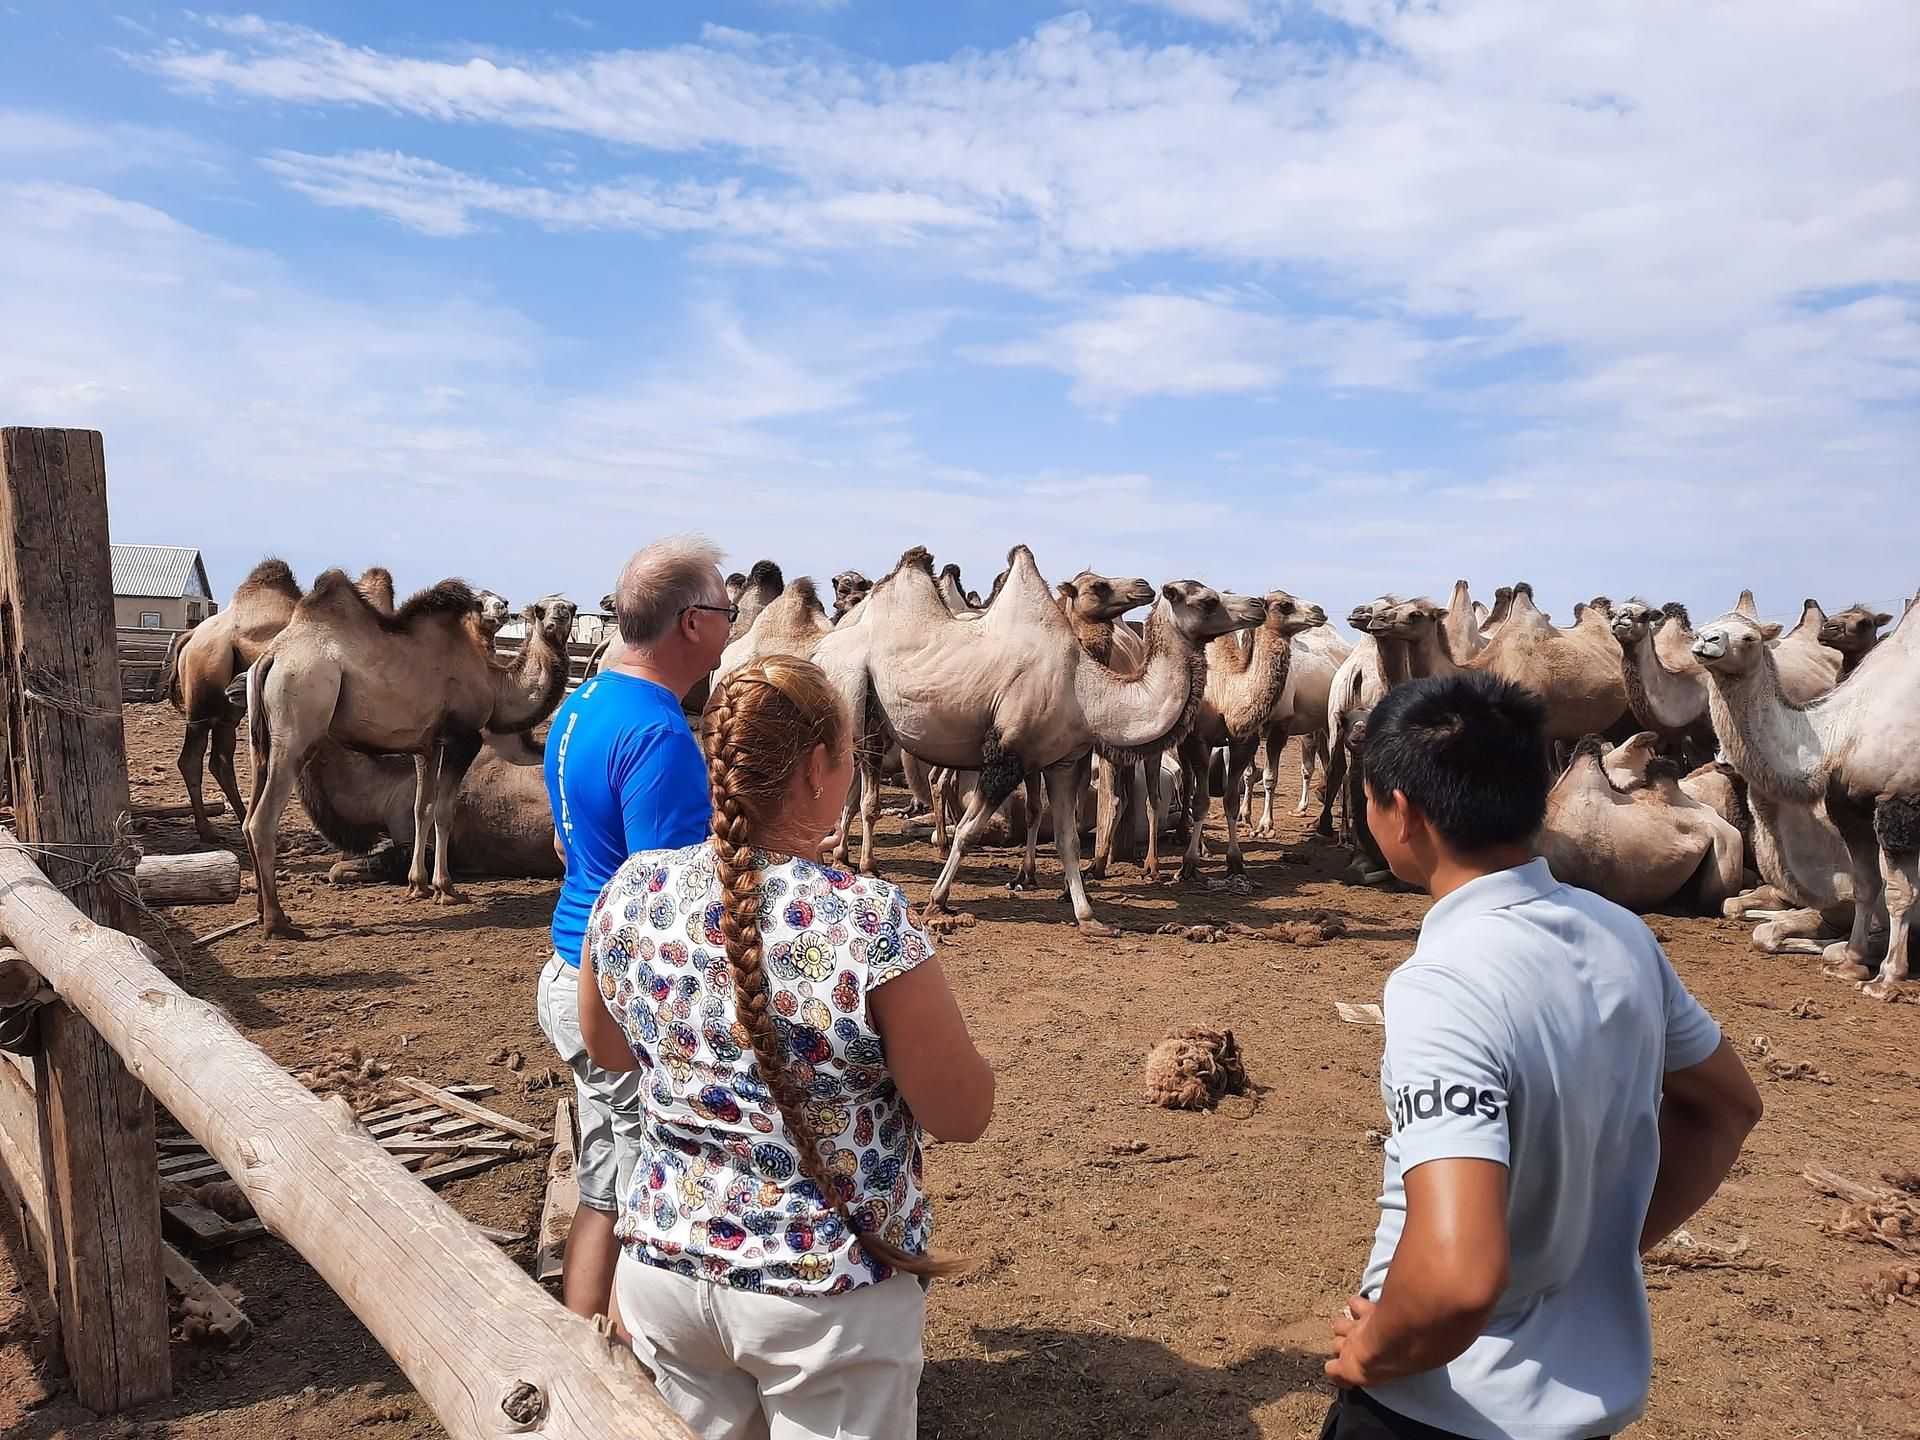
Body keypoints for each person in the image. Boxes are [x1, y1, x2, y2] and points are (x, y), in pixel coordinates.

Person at [1324, 673, 1763, 1440]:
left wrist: (1374, 1350)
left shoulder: (1442, 986)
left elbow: (1459, 1279)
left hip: (1444, 1410)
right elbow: (1728, 1106)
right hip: (1590, 1406)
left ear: (1400, 809)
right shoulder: (1621, 934)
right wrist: (1597, 1251)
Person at [576, 655, 994, 1440]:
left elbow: (604, 1047)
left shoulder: (633, 890)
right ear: (817, 769)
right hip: (824, 1294)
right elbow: (962, 1113)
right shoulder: (866, 919)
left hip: (666, 1270)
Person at [538, 532, 734, 1322]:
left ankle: (583, 1346)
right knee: (643, 1207)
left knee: (602, 1187)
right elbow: (669, 904)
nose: (731, 625)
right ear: (691, 623)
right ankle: (623, 1379)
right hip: (621, 999)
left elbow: (570, 839)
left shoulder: (583, 705)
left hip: (571, 967)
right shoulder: (658, 734)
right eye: (726, 610)